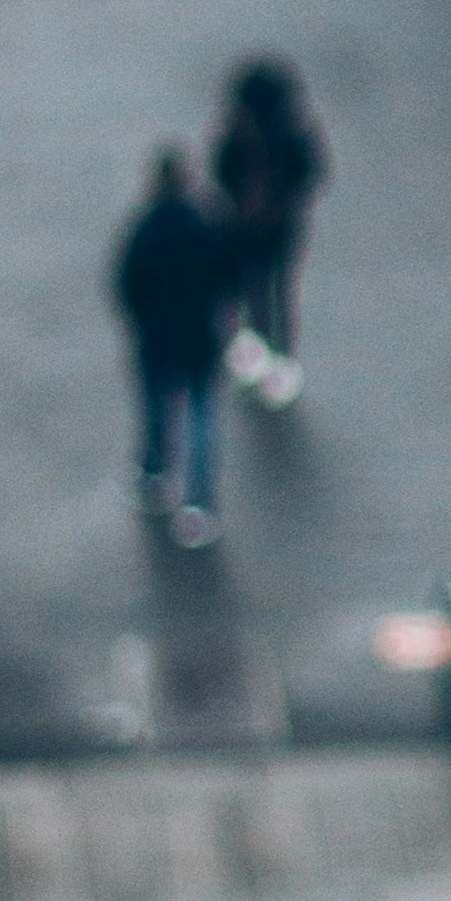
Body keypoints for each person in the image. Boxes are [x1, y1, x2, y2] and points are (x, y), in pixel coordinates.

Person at [114, 147, 234, 548]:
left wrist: (143, 319)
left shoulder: (145, 231)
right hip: (199, 338)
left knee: (155, 408)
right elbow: (226, 278)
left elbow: (127, 285)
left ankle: (155, 473)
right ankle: (199, 505)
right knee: (200, 420)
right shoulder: (206, 227)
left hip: (157, 339)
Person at [213, 60, 327, 409]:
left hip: (249, 229)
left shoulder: (240, 134)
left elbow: (221, 171)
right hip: (279, 228)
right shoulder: (291, 134)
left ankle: (260, 356)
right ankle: (279, 361)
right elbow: (312, 172)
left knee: (256, 292)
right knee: (277, 293)